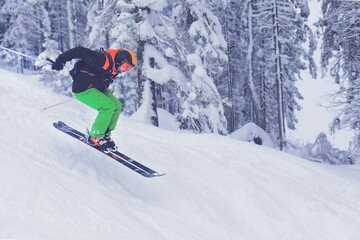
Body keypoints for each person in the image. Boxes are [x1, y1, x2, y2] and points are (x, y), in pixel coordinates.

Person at [51, 46, 136, 152]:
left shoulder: (115, 67)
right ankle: (95, 135)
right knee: (108, 106)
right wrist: (61, 60)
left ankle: (104, 134)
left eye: (129, 69)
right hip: (83, 89)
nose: (125, 70)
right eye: (126, 66)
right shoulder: (102, 59)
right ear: (120, 60)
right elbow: (80, 51)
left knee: (117, 106)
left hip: (96, 88)